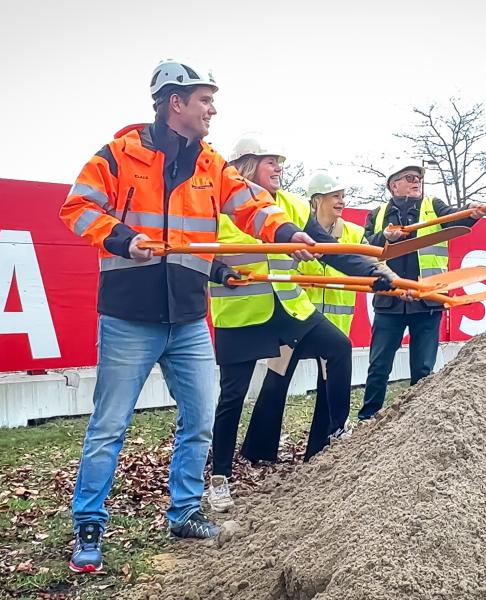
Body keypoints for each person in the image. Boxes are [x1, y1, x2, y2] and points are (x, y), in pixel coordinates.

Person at [58, 60, 320, 574]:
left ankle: (183, 513)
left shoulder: (212, 165)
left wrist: (288, 234)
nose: (212, 109)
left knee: (200, 418)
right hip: (128, 316)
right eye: (204, 100)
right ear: (174, 102)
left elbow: (252, 205)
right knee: (109, 426)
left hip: (189, 319)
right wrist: (122, 238)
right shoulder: (117, 155)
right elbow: (78, 207)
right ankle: (89, 525)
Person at [207, 146, 394, 513]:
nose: (278, 169)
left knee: (338, 347)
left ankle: (336, 431)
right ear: (247, 165)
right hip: (241, 315)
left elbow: (332, 250)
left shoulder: (290, 205)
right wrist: (219, 271)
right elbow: (198, 254)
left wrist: (373, 272)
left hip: (289, 308)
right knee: (232, 397)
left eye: (279, 164)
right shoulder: (217, 207)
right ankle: (220, 477)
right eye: (270, 162)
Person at [234, 171, 364, 472]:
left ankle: (320, 449)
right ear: (317, 200)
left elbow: (364, 259)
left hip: (331, 323)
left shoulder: (354, 233)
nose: (341, 202)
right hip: (297, 317)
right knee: (276, 379)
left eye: (343, 196)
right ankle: (258, 450)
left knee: (327, 385)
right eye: (335, 196)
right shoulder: (298, 226)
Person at [357, 160, 486, 420]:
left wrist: (471, 213)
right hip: (390, 301)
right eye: (409, 177)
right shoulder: (377, 214)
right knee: (379, 366)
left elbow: (456, 219)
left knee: (423, 369)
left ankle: (415, 422)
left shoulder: (434, 206)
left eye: (418, 178)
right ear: (393, 185)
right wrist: (385, 238)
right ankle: (368, 418)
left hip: (428, 301)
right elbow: (363, 247)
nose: (416, 181)